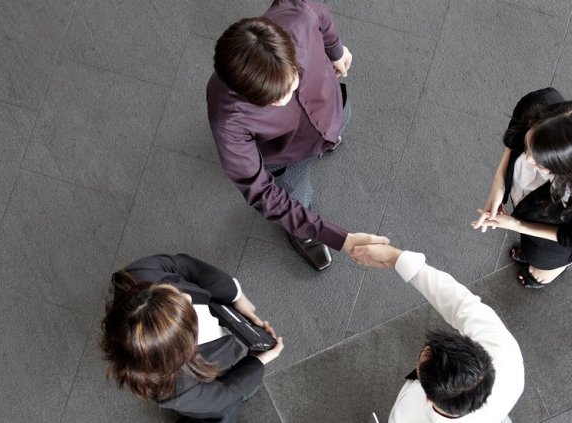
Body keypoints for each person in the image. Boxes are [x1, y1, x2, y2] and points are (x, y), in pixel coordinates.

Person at [207, 0, 382, 271]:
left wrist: (335, 51)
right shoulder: (228, 119)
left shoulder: (299, 13)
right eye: (277, 99)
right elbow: (262, 192)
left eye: (293, 82)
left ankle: (327, 140)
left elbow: (320, 15)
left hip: (331, 108)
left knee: (340, 120)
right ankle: (304, 231)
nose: (291, 96)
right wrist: (339, 238)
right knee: (295, 192)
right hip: (286, 155)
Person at [100, 254, 284, 422]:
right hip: (211, 398)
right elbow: (223, 395)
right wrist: (257, 361)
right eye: (186, 312)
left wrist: (236, 294)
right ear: (180, 346)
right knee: (223, 411)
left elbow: (185, 265)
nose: (188, 297)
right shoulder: (178, 389)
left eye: (174, 292)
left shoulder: (140, 273)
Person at [352, 244, 525, 423]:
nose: (425, 349)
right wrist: (395, 257)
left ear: (428, 399)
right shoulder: (507, 357)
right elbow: (460, 303)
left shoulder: (407, 414)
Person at [472, 87, 572, 288]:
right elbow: (513, 141)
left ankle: (564, 264)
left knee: (539, 268)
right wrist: (498, 185)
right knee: (528, 247)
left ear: (566, 169)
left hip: (550, 243)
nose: (527, 157)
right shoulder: (540, 103)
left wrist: (517, 226)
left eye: (541, 164)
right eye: (528, 145)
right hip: (531, 209)